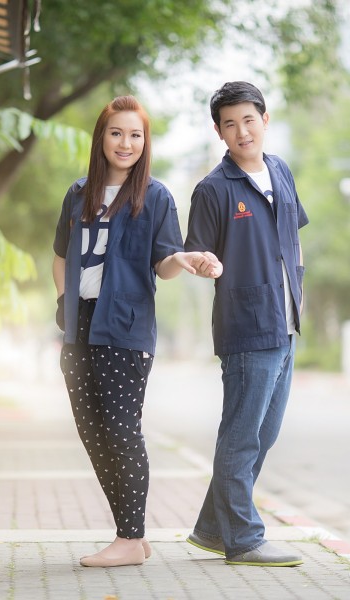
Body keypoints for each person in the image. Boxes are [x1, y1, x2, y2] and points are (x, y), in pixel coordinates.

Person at [52, 95, 221, 568]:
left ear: (145, 142)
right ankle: (132, 535)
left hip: (124, 328)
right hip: (78, 326)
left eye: (135, 135)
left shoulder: (156, 197)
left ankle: (130, 537)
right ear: (101, 138)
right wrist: (66, 305)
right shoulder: (78, 193)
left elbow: (163, 264)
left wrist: (183, 260)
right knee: (92, 430)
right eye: (116, 133)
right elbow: (61, 256)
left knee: (122, 430)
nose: (126, 143)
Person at [184, 81, 309, 567]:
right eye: (230, 124)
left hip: (284, 323)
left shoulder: (280, 171)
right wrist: (205, 264)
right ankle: (244, 538)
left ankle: (213, 528)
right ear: (219, 131)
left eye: (248, 120)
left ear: (265, 119)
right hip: (246, 327)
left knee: (265, 434)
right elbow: (198, 252)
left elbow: (293, 239)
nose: (241, 131)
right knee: (241, 436)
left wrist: (298, 288)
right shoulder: (214, 189)